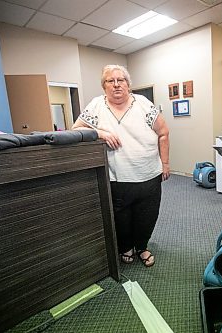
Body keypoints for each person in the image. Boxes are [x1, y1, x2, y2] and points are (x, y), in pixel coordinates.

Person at [72, 64, 170, 267]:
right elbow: (76, 130)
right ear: (104, 86)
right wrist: (100, 133)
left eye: (121, 80)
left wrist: (166, 163)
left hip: (149, 174)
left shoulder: (142, 103)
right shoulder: (97, 105)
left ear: (128, 84)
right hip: (117, 178)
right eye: (110, 81)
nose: (116, 85)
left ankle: (142, 247)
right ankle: (126, 247)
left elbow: (163, 132)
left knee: (147, 216)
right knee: (121, 218)